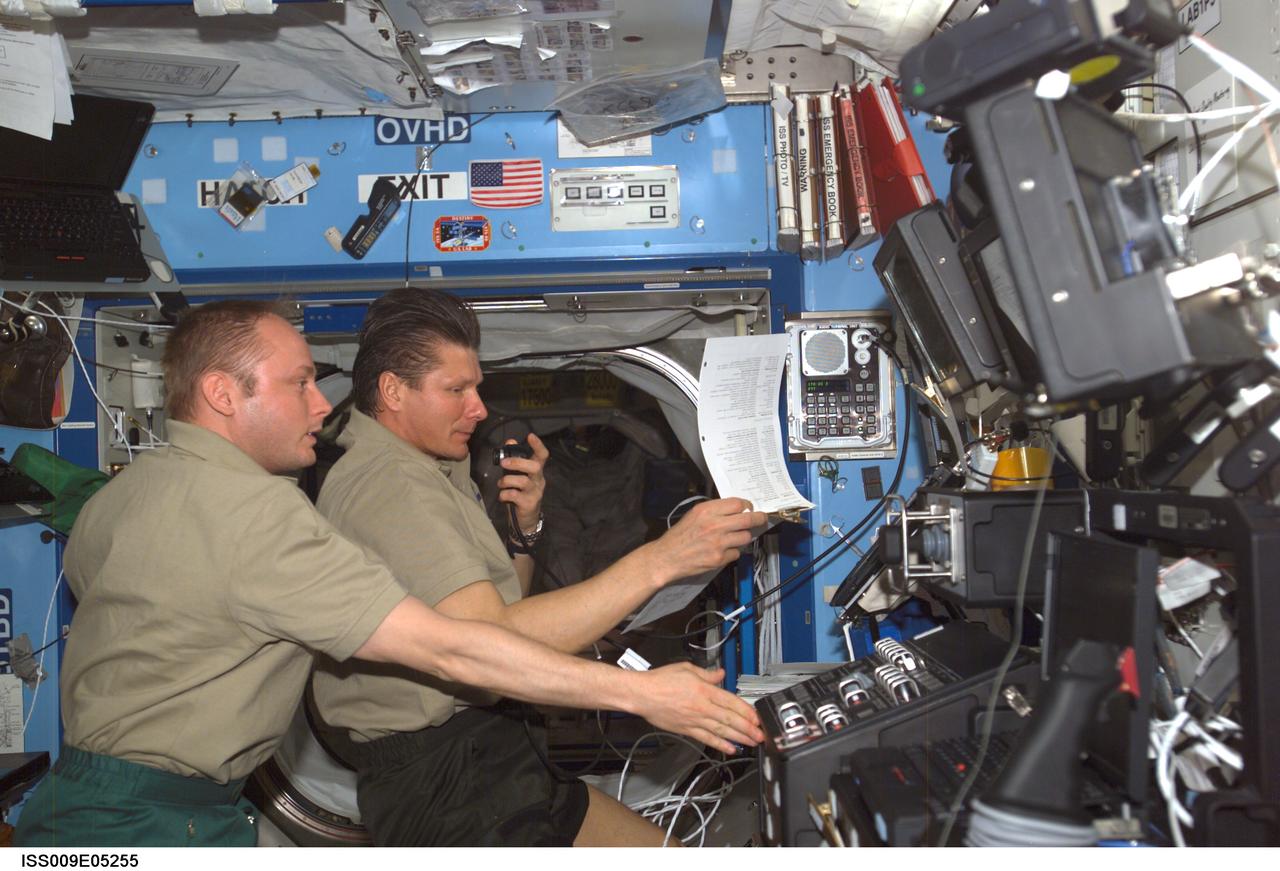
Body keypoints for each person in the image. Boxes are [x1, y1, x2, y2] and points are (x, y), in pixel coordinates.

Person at [14, 300, 764, 847]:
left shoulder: (124, 494)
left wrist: (522, 530)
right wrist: (643, 687)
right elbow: (455, 646)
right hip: (149, 817)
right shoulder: (262, 512)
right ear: (221, 393)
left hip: (108, 799)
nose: (320, 403)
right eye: (300, 383)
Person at [311, 287, 768, 847]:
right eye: (456, 390)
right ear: (392, 391)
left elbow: (505, 618)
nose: (478, 408)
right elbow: (487, 642)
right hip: (446, 784)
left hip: (492, 751)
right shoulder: (389, 483)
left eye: (476, 387)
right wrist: (663, 559)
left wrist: (525, 533)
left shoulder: (428, 467)